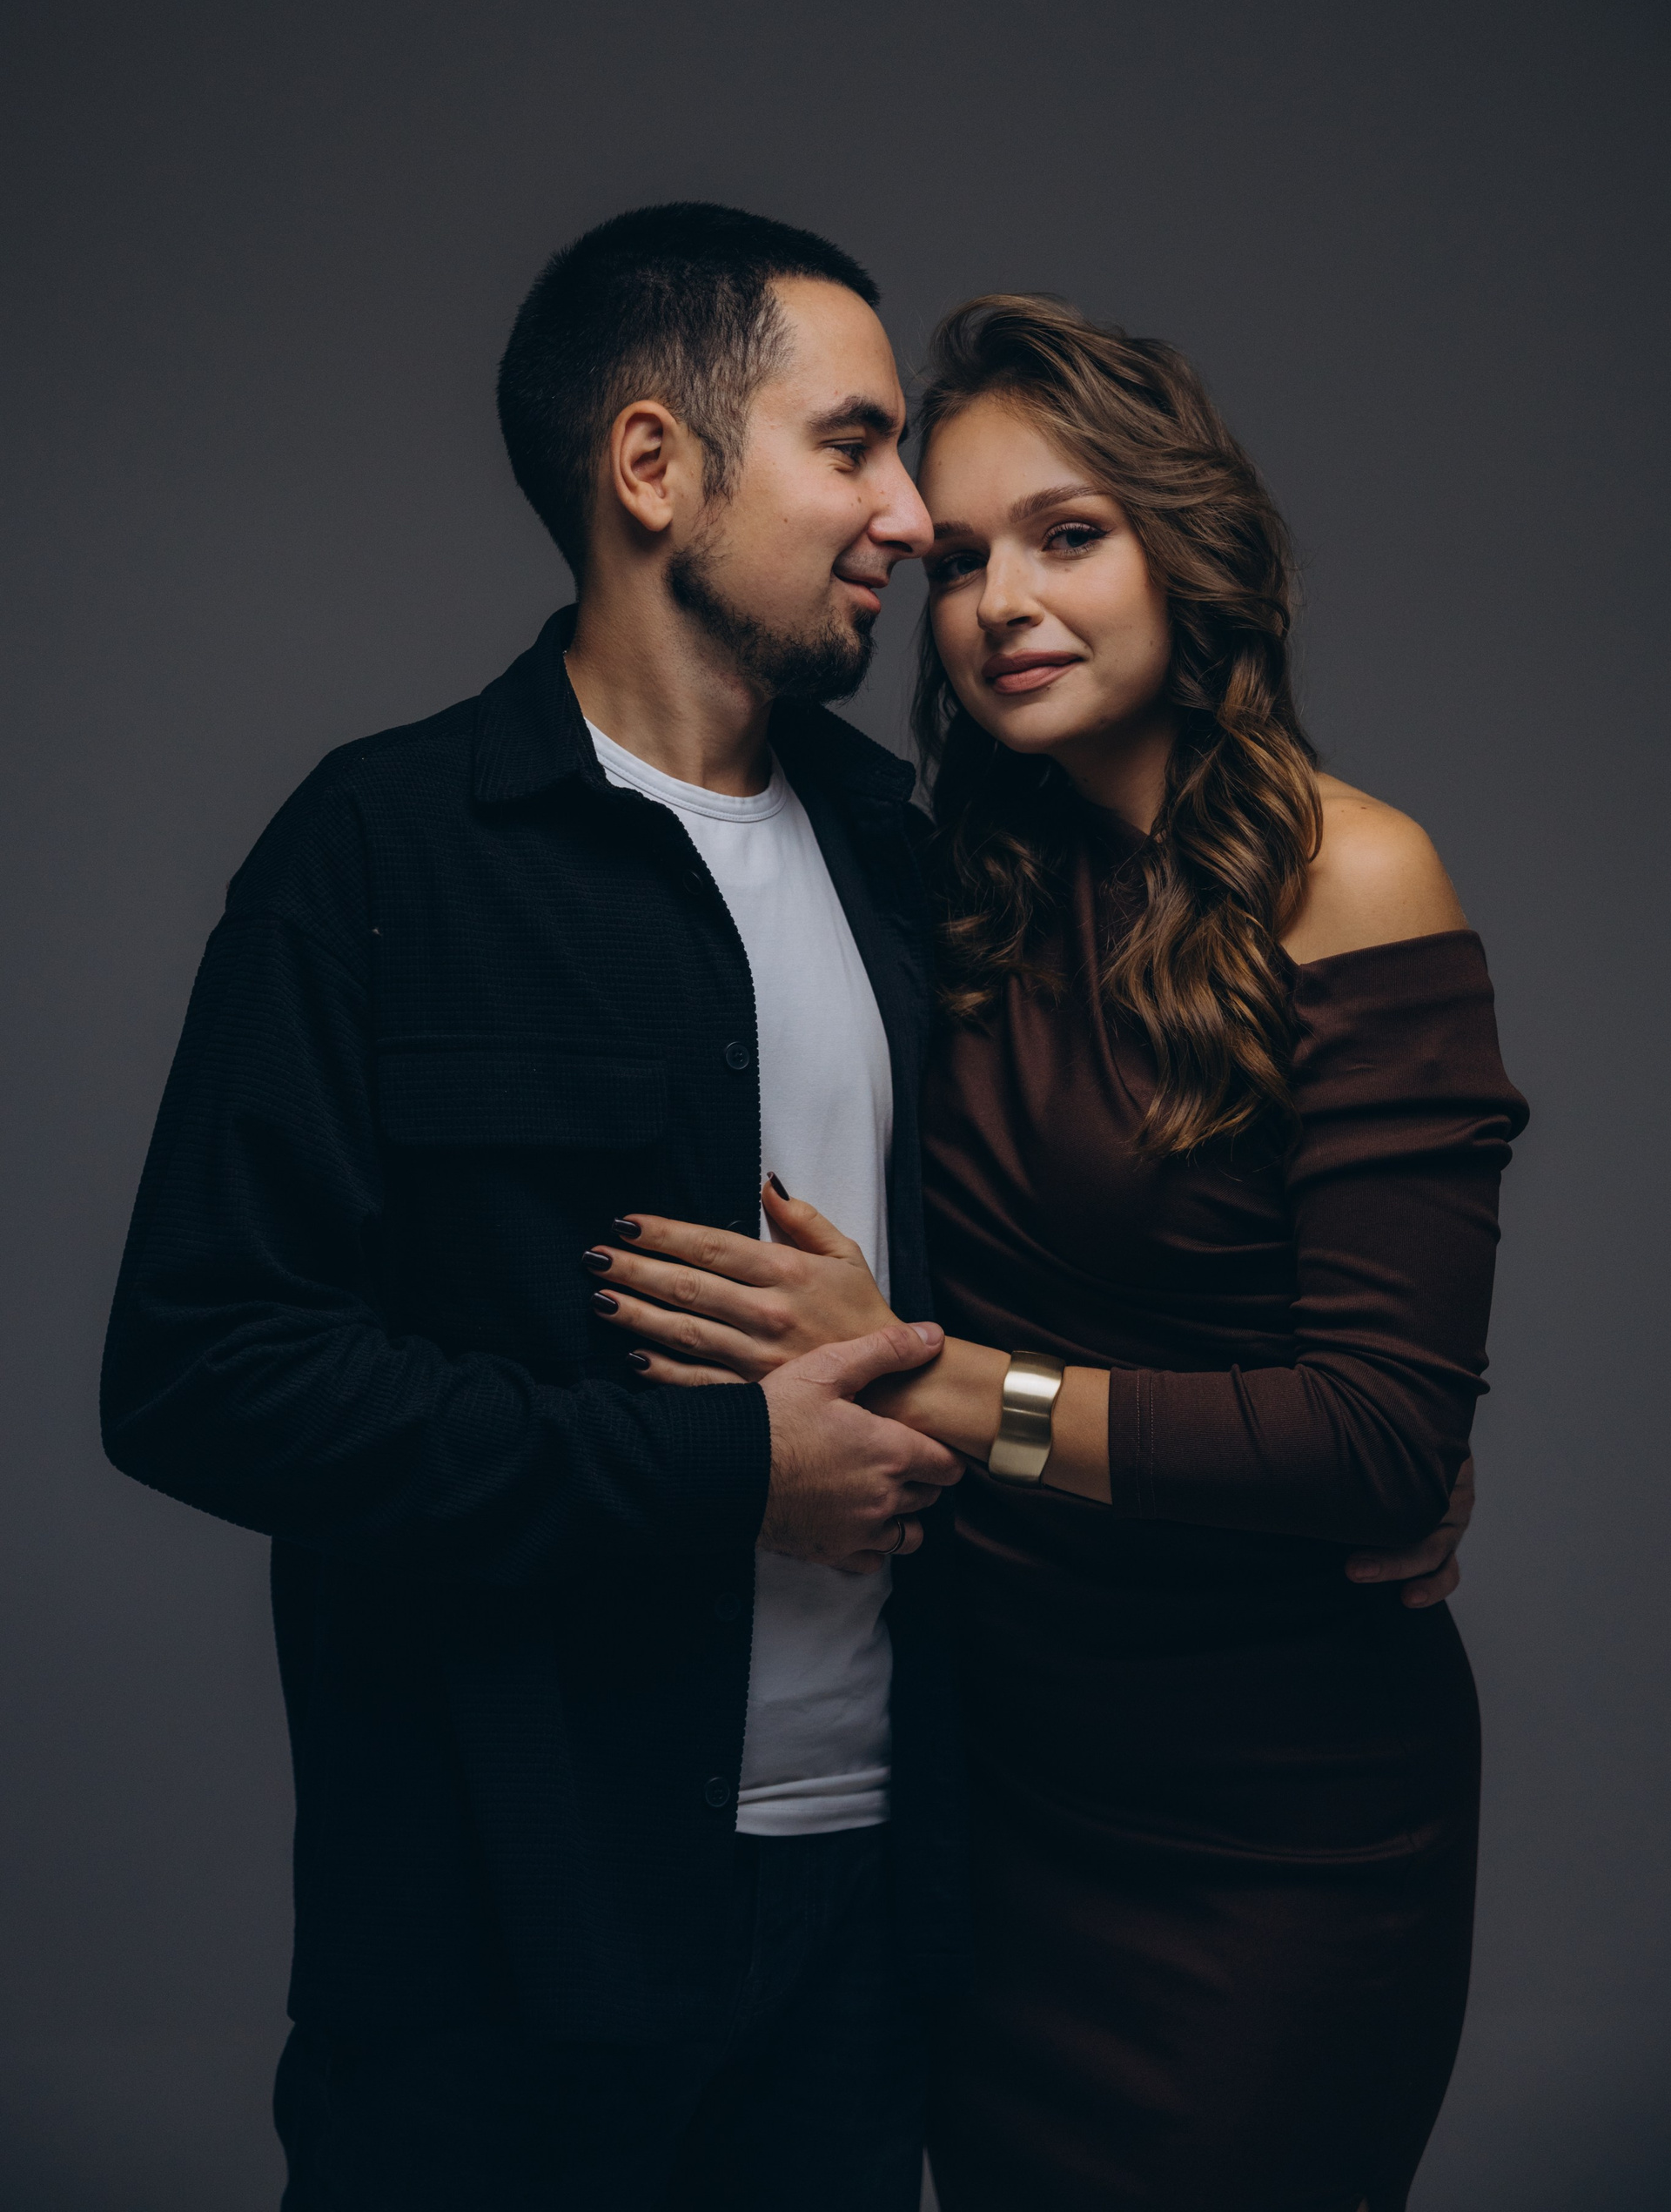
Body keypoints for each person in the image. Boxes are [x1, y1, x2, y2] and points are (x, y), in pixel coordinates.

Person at [592, 293, 1525, 2210]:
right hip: (996, 1799)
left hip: (1272, 1822)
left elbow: (1375, 1446)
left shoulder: (1352, 877)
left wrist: (924, 1379)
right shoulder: (951, 891)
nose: (1002, 602)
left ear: (1192, 551)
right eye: (961, 560)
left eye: (1070, 536)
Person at [101, 202, 968, 2211]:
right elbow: (202, 1374)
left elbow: (1049, 1266)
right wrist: (720, 1470)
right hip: (497, 1953)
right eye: (852, 444)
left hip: (871, 1930)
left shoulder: (905, 855)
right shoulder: (376, 852)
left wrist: (1326, 1449)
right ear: (654, 464)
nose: (912, 518)